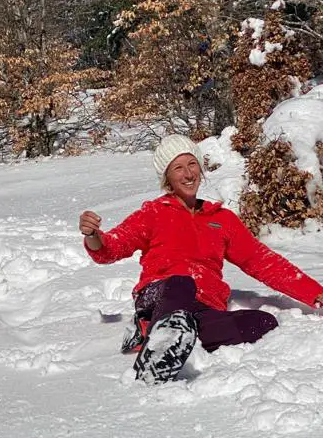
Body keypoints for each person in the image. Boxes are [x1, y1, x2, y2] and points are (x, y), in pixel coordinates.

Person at [78, 134, 323, 384]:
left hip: (204, 308)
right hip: (161, 294)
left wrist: (316, 294)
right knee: (183, 282)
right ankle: (155, 349)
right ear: (167, 179)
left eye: (192, 164)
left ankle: (163, 335)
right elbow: (112, 248)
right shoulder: (152, 213)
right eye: (178, 168)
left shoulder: (222, 220)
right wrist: (93, 236)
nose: (187, 174)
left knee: (262, 322)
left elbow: (260, 261)